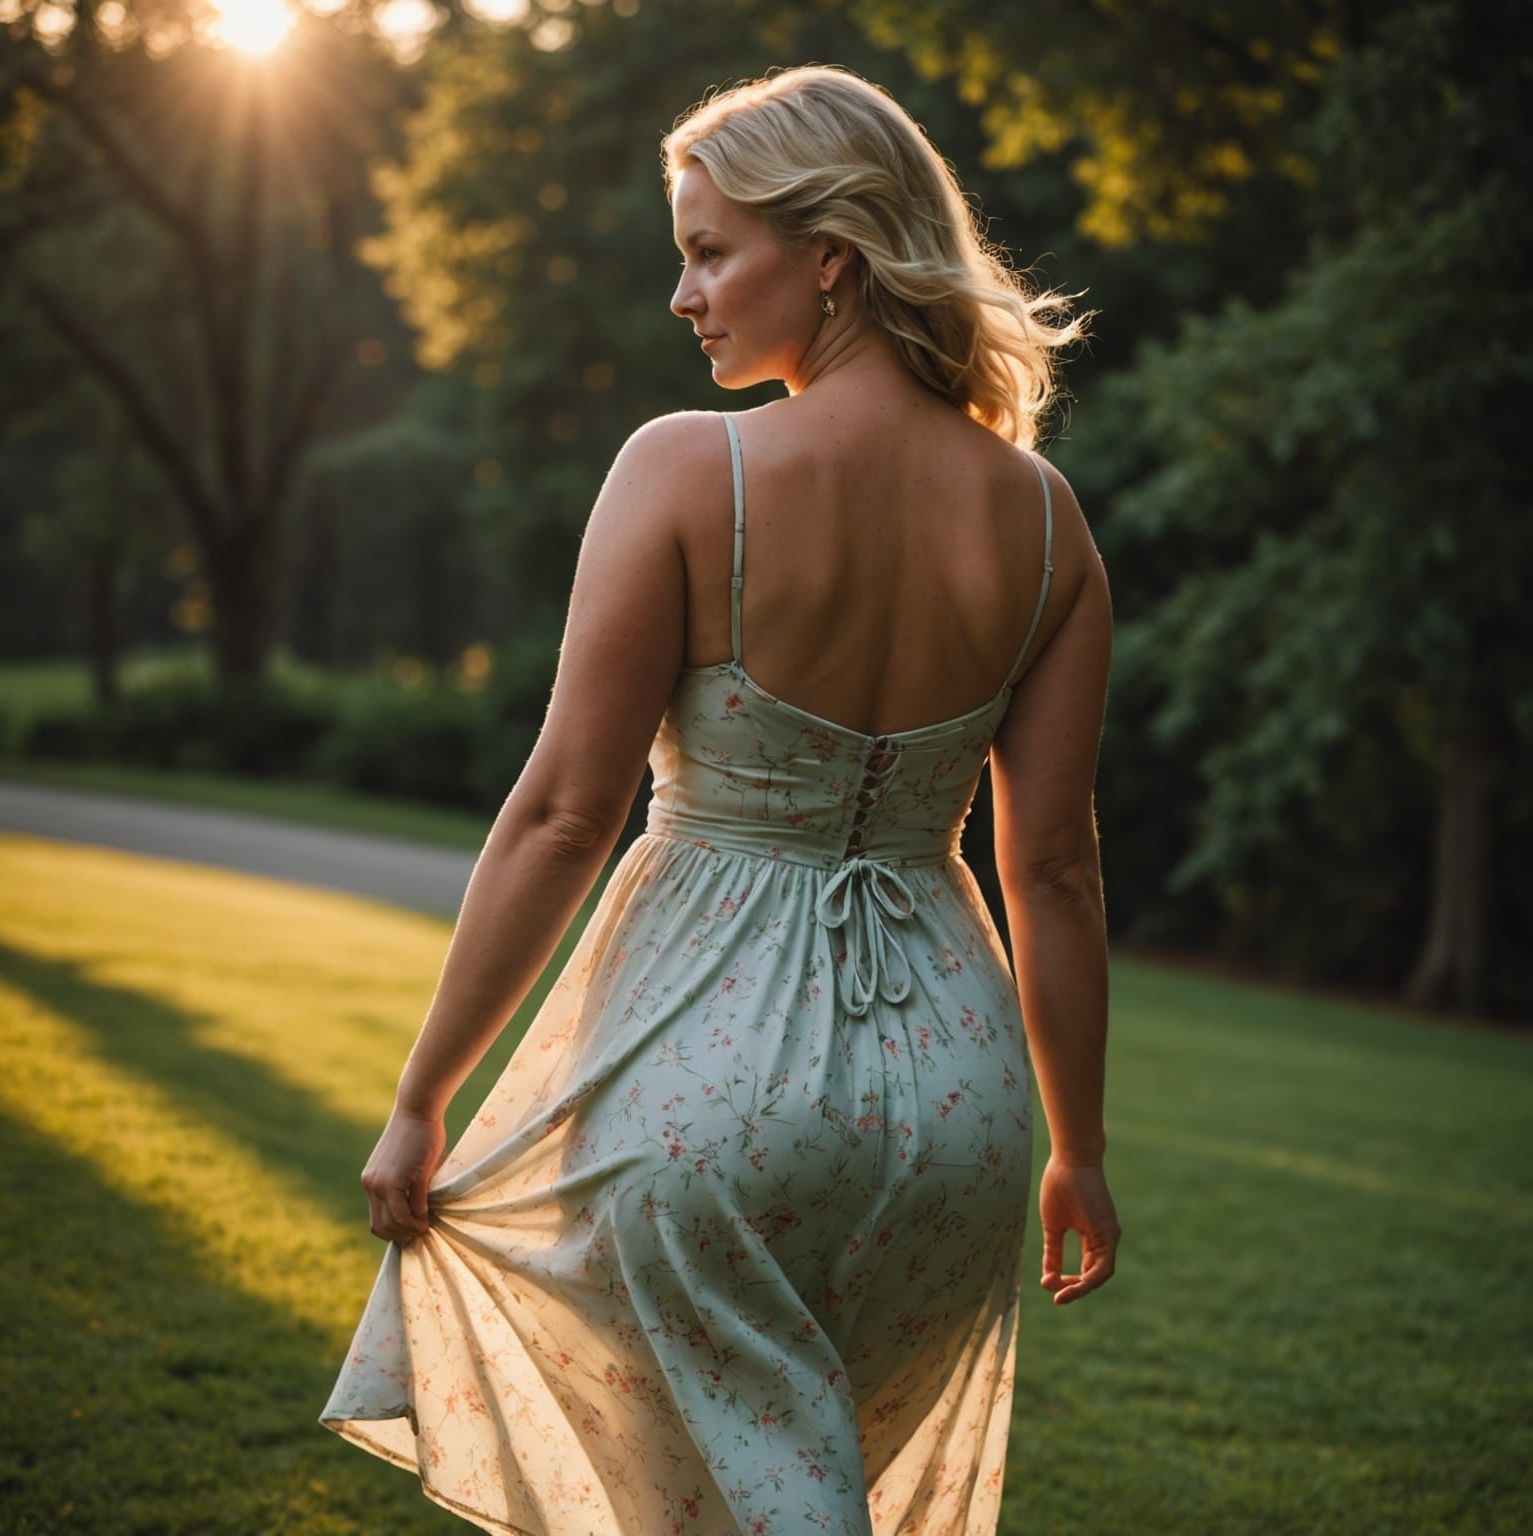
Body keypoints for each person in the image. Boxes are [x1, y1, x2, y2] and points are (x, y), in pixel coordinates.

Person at [320, 62, 1119, 1536]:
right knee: (799, 1488)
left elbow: (568, 810)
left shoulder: (689, 470)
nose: (682, 294)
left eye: (708, 251)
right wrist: (1077, 1149)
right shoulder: (1047, 521)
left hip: (713, 1092)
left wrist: (424, 1096)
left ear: (831, 256)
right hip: (961, 1116)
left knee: (734, 1499)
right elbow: (1055, 870)